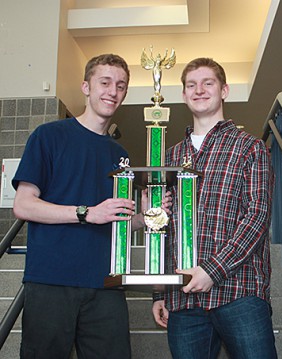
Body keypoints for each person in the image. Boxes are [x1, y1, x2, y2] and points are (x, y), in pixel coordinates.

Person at [12, 53, 171, 359]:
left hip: (106, 284)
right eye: (105, 82)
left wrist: (147, 217)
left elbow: (117, 219)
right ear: (86, 87)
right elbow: (24, 206)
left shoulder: (121, 155)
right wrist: (87, 213)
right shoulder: (48, 136)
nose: (113, 91)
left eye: (121, 85)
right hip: (51, 280)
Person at [152, 57, 277, 359]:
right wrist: (160, 291)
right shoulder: (168, 156)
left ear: (224, 90)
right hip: (183, 300)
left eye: (208, 83)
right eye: (191, 85)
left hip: (239, 292)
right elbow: (162, 228)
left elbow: (257, 217)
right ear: (183, 94)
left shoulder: (250, 147)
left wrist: (212, 270)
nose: (199, 90)